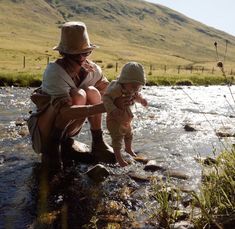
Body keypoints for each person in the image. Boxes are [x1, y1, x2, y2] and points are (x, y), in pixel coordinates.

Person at [27, 21, 128, 171]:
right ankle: (53, 147)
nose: (83, 58)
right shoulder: (54, 72)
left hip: (68, 129)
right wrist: (104, 107)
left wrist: (125, 94)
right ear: (64, 54)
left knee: (92, 91)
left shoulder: (93, 69)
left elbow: (108, 91)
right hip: (45, 132)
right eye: (76, 54)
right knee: (79, 95)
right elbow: (65, 111)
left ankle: (97, 140)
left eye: (86, 53)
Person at [103, 62, 148, 167]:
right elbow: (106, 98)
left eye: (138, 86)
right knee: (117, 138)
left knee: (129, 134)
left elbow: (136, 95)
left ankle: (128, 149)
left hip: (126, 118)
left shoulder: (133, 88)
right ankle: (119, 158)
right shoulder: (116, 88)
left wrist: (141, 100)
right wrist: (113, 109)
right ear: (124, 81)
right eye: (133, 86)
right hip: (114, 119)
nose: (135, 89)